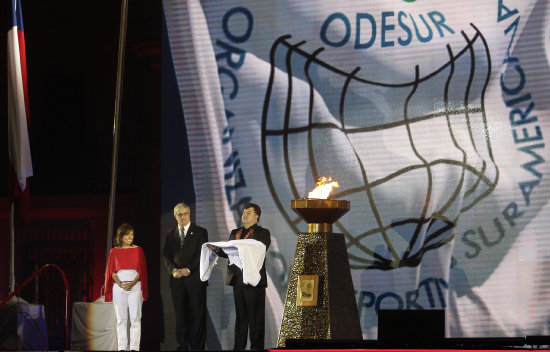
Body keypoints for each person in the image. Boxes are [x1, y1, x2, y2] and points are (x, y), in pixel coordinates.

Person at [208, 203, 271, 350]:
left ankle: (256, 348)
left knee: (255, 318)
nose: (244, 214)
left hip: (253, 281)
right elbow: (228, 252)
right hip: (237, 279)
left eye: (248, 212)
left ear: (257, 216)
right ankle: (239, 347)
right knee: (241, 317)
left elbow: (260, 250)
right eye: (243, 212)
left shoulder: (262, 232)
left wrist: (241, 247)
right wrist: (217, 249)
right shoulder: (235, 232)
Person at [163, 203, 208, 351]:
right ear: (175, 216)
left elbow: (202, 254)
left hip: (195, 280)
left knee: (197, 315)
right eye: (179, 214)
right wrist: (173, 271)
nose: (182, 217)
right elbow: (166, 255)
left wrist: (189, 269)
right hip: (177, 281)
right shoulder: (170, 234)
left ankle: (198, 347)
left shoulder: (201, 232)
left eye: (185, 214)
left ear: (189, 214)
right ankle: (183, 346)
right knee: (181, 316)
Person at [104, 223, 148, 352]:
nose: (130, 237)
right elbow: (111, 271)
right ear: (121, 236)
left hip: (135, 286)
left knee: (135, 318)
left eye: (132, 234)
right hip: (119, 287)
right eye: (128, 234)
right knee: (121, 318)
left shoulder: (138, 250)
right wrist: (120, 284)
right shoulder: (114, 251)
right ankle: (122, 347)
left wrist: (132, 283)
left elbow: (142, 271)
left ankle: (134, 347)